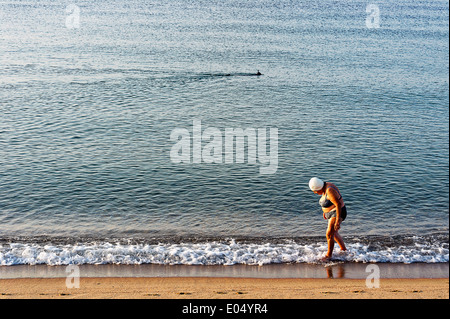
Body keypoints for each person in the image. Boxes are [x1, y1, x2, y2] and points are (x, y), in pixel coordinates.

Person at [309, 177, 347, 260]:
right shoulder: (325, 186)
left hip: (337, 212)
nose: (315, 193)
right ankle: (344, 250)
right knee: (335, 234)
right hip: (331, 212)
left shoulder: (329, 190)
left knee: (329, 234)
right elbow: (329, 201)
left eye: (315, 191)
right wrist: (325, 212)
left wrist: (337, 221)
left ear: (319, 187)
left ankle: (328, 256)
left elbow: (338, 205)